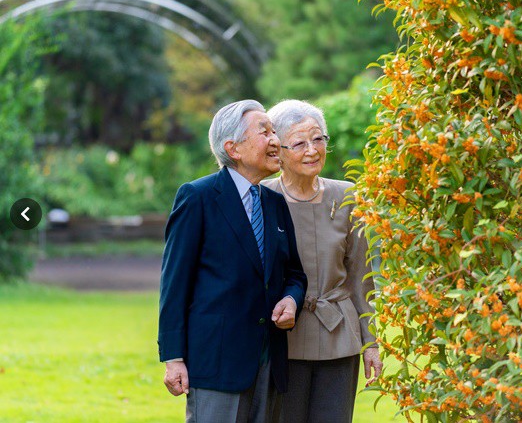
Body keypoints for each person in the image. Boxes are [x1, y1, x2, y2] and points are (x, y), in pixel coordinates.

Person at [158, 99, 308, 423]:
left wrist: (292, 300)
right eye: (264, 132)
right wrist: (173, 357)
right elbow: (174, 284)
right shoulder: (196, 198)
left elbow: (295, 274)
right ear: (233, 148)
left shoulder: (275, 203)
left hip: (270, 363)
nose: (275, 140)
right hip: (217, 364)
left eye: (274, 131)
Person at [262, 100, 382, 423]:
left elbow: (363, 277)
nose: (312, 150)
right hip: (283, 338)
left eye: (319, 139)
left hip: (339, 336)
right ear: (279, 151)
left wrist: (371, 342)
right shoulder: (262, 198)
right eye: (300, 143)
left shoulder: (348, 197)